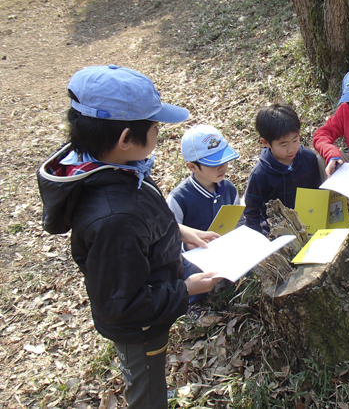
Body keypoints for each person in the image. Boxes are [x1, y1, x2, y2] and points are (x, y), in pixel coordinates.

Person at [37, 65, 222, 408]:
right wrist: (186, 289)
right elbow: (124, 306)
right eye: (154, 126)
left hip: (147, 290)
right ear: (125, 139)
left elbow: (140, 221)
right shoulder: (116, 217)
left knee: (150, 373)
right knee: (146, 384)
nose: (158, 132)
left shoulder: (109, 166)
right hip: (140, 327)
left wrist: (178, 229)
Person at [166, 124, 241, 302]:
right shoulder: (178, 199)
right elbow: (167, 240)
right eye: (214, 164)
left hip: (226, 255)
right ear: (192, 167)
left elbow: (239, 221)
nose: (222, 167)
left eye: (224, 160)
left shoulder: (229, 189)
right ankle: (195, 304)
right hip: (194, 266)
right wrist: (189, 246)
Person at [244, 103, 321, 233]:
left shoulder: (308, 158)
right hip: (277, 231)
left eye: (295, 140)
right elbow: (252, 213)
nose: (291, 149)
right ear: (266, 143)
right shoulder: (260, 175)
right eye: (283, 144)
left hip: (310, 222)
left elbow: (318, 192)